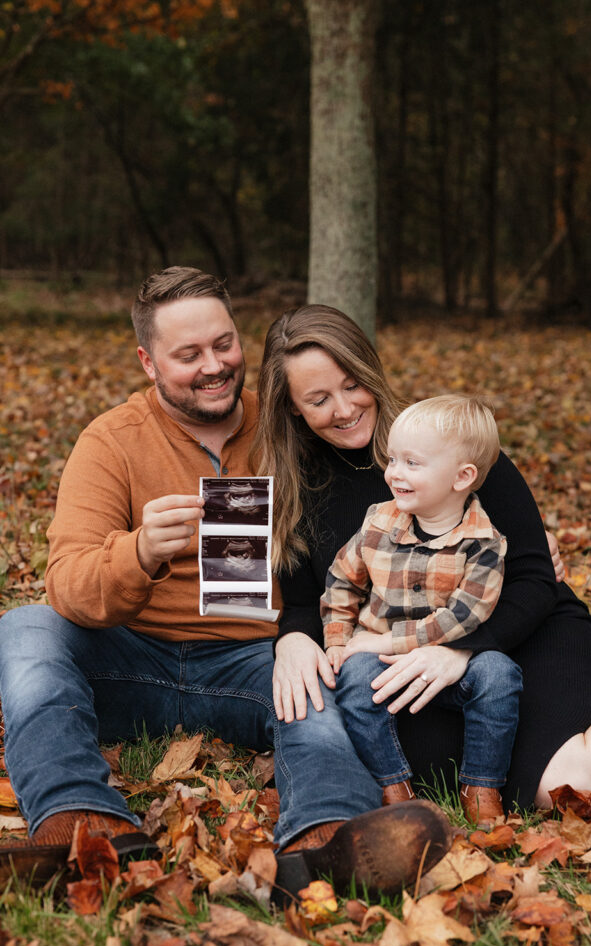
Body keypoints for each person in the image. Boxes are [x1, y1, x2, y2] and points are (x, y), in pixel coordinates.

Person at [0, 268, 452, 898]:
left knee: (311, 686)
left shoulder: (288, 426)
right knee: (24, 627)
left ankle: (328, 838)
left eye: (224, 344)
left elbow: (391, 477)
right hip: (131, 659)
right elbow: (69, 586)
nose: (213, 366)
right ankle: (82, 825)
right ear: (148, 362)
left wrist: (486, 533)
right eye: (188, 355)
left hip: (254, 660)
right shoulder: (111, 442)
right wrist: (139, 553)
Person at [253, 303, 591, 813]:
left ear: (370, 371)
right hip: (404, 658)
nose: (344, 408)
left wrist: (462, 649)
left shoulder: (445, 441)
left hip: (519, 632)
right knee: (422, 766)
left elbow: (533, 577)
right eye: (318, 399)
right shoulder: (295, 492)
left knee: (559, 789)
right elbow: (306, 600)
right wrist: (295, 640)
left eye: (352, 384)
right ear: (292, 408)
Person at [321, 395, 522, 824]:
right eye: (393, 460)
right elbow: (342, 581)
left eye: (412, 463)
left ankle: (482, 787)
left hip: (448, 662)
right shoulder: (377, 524)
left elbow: (465, 615)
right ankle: (393, 786)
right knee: (353, 678)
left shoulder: (484, 544)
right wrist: (339, 641)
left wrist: (389, 640)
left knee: (499, 674)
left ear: (462, 476)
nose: (394, 472)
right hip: (380, 663)